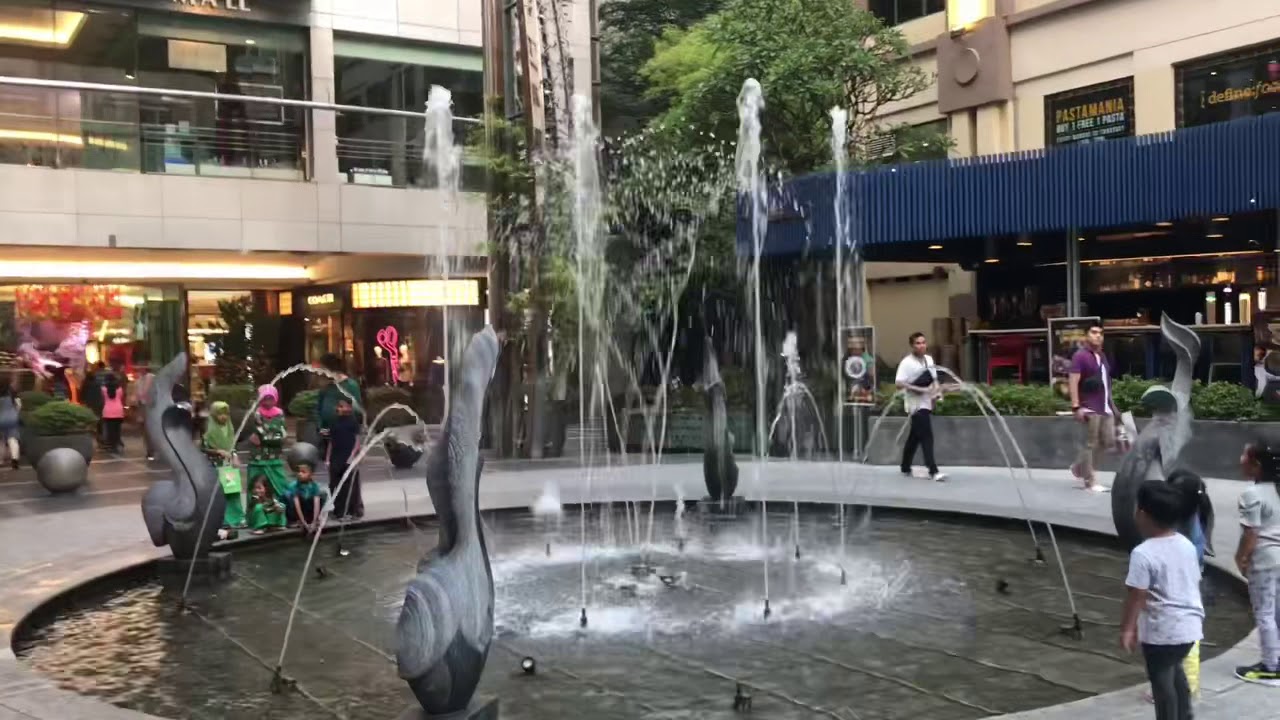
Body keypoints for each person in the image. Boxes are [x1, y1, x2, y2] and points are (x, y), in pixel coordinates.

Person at [1121, 480, 1204, 720]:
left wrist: (1128, 629)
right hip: (1189, 627)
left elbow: (1137, 595)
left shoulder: (1143, 553)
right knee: (1175, 673)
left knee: (1161, 683)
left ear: (1142, 514)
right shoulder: (1186, 545)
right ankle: (1186, 716)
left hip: (1162, 631)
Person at [1233, 438, 1280, 684]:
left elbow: (1251, 534)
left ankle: (1272, 667)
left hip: (1264, 560)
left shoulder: (1252, 494)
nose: (1240, 460)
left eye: (1244, 456)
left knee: (1264, 613)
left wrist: (1241, 558)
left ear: (1256, 464)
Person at [1069, 324, 1122, 493]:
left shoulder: (1102, 356)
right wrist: (1076, 406)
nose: (1098, 336)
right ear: (1086, 336)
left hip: (1105, 407)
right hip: (1090, 407)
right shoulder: (1080, 356)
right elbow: (1073, 381)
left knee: (1108, 442)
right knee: (1091, 443)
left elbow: (1106, 384)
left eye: (1100, 333)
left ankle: (1079, 467)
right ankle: (1090, 481)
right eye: (1093, 332)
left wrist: (1113, 406)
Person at [895, 332, 946, 482]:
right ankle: (933, 470)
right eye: (918, 343)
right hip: (914, 404)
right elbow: (899, 384)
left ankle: (905, 466)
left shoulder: (929, 359)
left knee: (915, 437)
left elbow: (934, 378)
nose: (921, 345)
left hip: (926, 401)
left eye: (923, 342)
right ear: (912, 345)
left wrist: (937, 392)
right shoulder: (906, 363)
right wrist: (920, 389)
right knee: (926, 435)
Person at [202, 401, 244, 529]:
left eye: (225, 414)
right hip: (215, 465)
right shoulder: (208, 428)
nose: (223, 417)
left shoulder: (229, 427)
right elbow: (203, 447)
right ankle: (221, 519)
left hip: (228, 465)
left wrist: (235, 456)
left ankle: (237, 518)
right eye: (220, 414)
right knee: (218, 494)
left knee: (233, 492)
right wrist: (217, 451)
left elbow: (233, 445)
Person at [247, 385, 290, 499]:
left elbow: (281, 433)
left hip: (275, 458)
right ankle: (256, 513)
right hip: (258, 458)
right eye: (264, 398)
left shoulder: (279, 413)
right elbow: (260, 433)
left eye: (270, 398)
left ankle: (280, 511)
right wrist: (275, 438)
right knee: (256, 486)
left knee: (279, 485)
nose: (267, 402)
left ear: (275, 398)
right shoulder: (256, 413)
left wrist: (272, 438)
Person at [314, 353, 362, 453]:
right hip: (327, 434)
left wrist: (344, 413)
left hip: (344, 433)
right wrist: (321, 426)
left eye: (322, 368)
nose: (319, 372)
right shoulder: (326, 386)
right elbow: (318, 408)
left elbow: (357, 410)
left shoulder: (350, 385)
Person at [326, 396, 364, 520]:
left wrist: (353, 455)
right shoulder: (334, 421)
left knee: (350, 485)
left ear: (350, 407)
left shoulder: (353, 421)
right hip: (336, 456)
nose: (342, 408)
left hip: (348, 456)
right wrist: (327, 458)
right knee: (334, 484)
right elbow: (331, 441)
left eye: (345, 406)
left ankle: (352, 510)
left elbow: (357, 440)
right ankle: (339, 510)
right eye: (340, 406)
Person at [286, 461, 327, 535]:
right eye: (299, 472)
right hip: (298, 508)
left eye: (303, 472)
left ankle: (313, 519)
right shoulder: (294, 485)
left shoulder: (314, 485)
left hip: (308, 508)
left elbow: (316, 503)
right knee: (288, 495)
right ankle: (295, 520)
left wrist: (314, 522)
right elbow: (297, 505)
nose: (300, 474)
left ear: (310, 475)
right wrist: (304, 523)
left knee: (323, 494)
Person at [100, 374, 125, 454]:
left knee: (109, 429)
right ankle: (117, 442)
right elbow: (121, 398)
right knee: (117, 429)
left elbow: (103, 399)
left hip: (108, 411)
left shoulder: (103, 389)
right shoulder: (120, 389)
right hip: (118, 410)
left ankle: (111, 445)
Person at [135, 366, 156, 460]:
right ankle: (150, 450)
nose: (140, 370)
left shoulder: (152, 377)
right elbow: (138, 394)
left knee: (151, 429)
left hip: (151, 406)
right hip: (143, 406)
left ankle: (152, 450)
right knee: (145, 429)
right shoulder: (139, 380)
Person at [0, 378, 20, 470]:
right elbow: (19, 405)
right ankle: (14, 459)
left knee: (1, 441)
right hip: (12, 418)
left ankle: (1, 460)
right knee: (12, 439)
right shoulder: (11, 392)